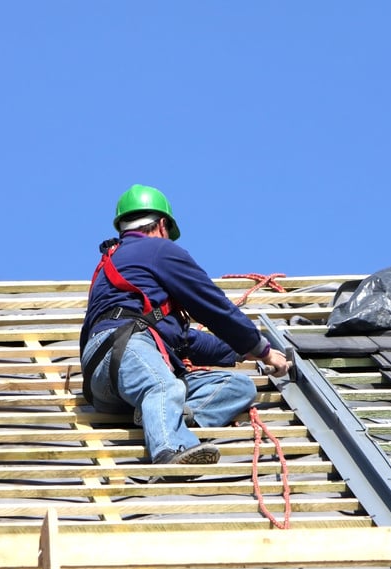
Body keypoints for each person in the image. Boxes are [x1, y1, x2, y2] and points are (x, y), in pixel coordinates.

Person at [80, 184, 290, 477]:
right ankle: (170, 451)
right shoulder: (158, 250)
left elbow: (184, 340)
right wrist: (263, 350)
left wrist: (243, 351)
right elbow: (212, 305)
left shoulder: (120, 268)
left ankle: (161, 416)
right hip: (123, 352)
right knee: (164, 386)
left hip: (106, 375)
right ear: (163, 225)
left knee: (238, 387)